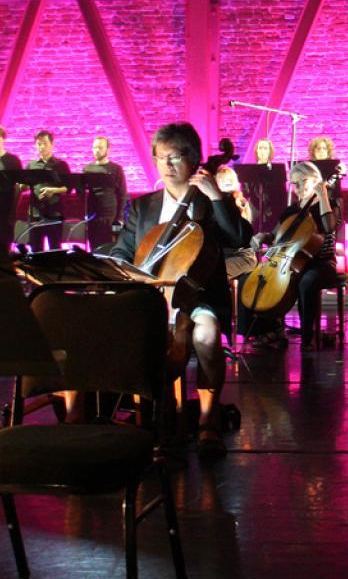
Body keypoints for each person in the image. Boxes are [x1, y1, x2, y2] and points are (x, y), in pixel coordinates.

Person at [110, 122, 252, 458]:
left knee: (205, 334)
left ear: (195, 159)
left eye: (175, 157)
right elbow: (121, 250)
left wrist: (216, 195)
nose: (168, 166)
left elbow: (239, 238)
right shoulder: (144, 207)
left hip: (198, 295)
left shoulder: (209, 203)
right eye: (162, 158)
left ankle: (207, 419)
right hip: (151, 297)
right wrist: (125, 272)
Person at [241, 161, 341, 350]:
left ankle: (308, 337)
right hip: (292, 262)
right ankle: (271, 330)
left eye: (302, 182)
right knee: (256, 279)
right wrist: (264, 235)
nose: (297, 188)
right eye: (294, 184)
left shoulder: (329, 204)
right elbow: (277, 236)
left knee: (306, 282)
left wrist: (323, 196)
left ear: (315, 180)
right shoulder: (292, 211)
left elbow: (329, 227)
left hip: (321, 263)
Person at [25, 130, 70, 251]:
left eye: (44, 143)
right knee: (35, 249)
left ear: (52, 144)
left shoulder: (61, 165)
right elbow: (24, 186)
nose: (41, 146)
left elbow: (68, 187)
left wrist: (53, 190)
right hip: (35, 214)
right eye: (39, 144)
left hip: (54, 213)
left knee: (55, 249)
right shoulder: (31, 166)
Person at [81, 135, 127, 250]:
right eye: (95, 147)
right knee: (94, 249)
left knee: (109, 249)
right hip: (92, 216)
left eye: (100, 147)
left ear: (108, 150)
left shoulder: (116, 169)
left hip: (110, 215)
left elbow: (122, 194)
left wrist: (119, 218)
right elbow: (82, 193)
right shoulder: (87, 169)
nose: (97, 150)